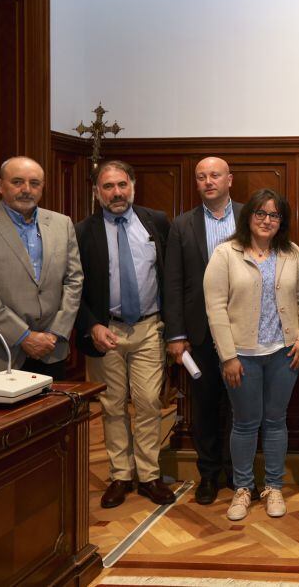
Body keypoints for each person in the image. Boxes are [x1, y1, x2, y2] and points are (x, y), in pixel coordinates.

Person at [204, 188, 299, 520]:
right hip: (241, 356)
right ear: (248, 216)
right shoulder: (226, 253)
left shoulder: (292, 254)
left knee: (276, 421)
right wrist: (228, 356)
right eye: (261, 213)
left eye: (274, 215)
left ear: (282, 221)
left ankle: (274, 487)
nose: (267, 220)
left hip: (284, 353)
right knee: (245, 423)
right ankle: (242, 488)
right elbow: (215, 308)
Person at [76, 160, 175, 509]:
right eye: (108, 186)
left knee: (148, 402)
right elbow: (73, 288)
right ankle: (120, 475)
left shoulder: (156, 222)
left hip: (149, 327)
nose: (116, 193)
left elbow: (171, 276)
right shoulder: (82, 232)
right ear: (96, 192)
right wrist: (91, 325)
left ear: (133, 186)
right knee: (112, 405)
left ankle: (148, 475)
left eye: (122, 185)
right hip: (106, 331)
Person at [0, 156, 83, 379]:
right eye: (17, 182)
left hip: (51, 350)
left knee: (52, 404)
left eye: (34, 183)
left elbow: (74, 280)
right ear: (0, 185)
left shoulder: (62, 224)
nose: (26, 190)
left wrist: (55, 333)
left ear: (43, 187)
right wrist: (24, 336)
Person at [163, 156, 242, 505]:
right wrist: (176, 335)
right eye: (201, 177)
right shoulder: (182, 225)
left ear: (229, 180)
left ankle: (238, 474)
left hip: (243, 330)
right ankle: (209, 474)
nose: (208, 181)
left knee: (241, 407)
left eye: (215, 175)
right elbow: (173, 282)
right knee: (206, 407)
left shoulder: (250, 217)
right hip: (200, 333)